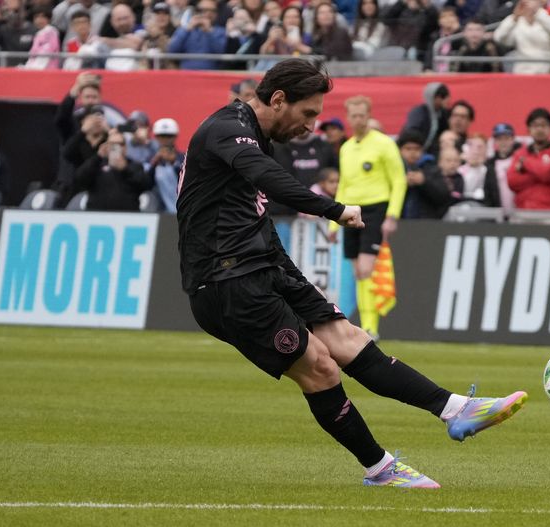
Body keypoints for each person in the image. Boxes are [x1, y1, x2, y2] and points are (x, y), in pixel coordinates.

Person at [176, 59, 528, 488]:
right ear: (279, 99)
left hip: (260, 266)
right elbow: (265, 177)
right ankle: (380, 469)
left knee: (350, 338)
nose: (310, 127)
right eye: (307, 114)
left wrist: (288, 275)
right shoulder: (226, 129)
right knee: (321, 368)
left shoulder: (250, 135)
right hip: (225, 283)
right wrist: (334, 208)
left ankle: (455, 410)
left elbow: (254, 217)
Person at [330, 95, 406, 340]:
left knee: (366, 268)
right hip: (351, 209)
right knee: (357, 271)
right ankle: (366, 326)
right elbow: (343, 185)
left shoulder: (384, 144)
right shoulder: (346, 148)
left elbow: (398, 179)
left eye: (362, 115)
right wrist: (334, 220)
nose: (358, 119)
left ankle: (371, 327)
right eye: (354, 115)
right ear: (348, 117)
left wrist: (392, 215)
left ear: (369, 114)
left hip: (375, 208)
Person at [507, 107, 550, 214]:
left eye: (544, 125)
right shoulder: (520, 153)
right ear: (528, 129)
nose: (540, 129)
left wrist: (525, 164)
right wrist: (540, 171)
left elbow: (548, 174)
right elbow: (513, 182)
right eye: (535, 125)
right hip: (524, 211)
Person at [75, 128, 153, 211]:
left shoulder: (134, 165)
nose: (116, 147)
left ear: (125, 147)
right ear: (106, 146)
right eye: (112, 144)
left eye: (120, 144)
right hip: (98, 215)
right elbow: (79, 179)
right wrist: (97, 157)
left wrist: (125, 169)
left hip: (126, 216)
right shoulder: (97, 163)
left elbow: (146, 184)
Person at [493, 0, 550, 74]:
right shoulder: (517, 21)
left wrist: (537, 13)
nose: (527, 2)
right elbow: (498, 37)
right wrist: (514, 17)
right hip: (522, 70)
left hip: (546, 69)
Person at [398, 129, 452, 219]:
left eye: (417, 148)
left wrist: (424, 182)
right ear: (400, 150)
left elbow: (444, 196)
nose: (413, 152)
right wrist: (402, 184)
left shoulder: (432, 168)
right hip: (398, 222)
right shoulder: (393, 168)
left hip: (426, 223)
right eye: (408, 148)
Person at [167, 0, 226, 70]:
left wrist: (209, 31)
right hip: (187, 74)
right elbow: (172, 50)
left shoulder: (220, 31)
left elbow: (222, 52)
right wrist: (187, 29)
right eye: (203, 10)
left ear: (216, 14)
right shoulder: (185, 30)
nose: (208, 13)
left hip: (210, 75)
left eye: (212, 11)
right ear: (196, 11)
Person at [400, 82, 450, 153]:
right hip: (415, 151)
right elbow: (411, 132)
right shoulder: (419, 112)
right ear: (436, 98)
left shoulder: (442, 114)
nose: (448, 101)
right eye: (444, 98)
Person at [148, 117, 183, 213]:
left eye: (169, 136)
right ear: (156, 137)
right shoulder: (150, 158)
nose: (165, 140)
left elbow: (188, 181)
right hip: (159, 212)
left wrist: (174, 163)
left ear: (175, 137)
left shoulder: (183, 158)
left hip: (182, 211)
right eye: (161, 136)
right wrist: (154, 164)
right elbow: (145, 183)